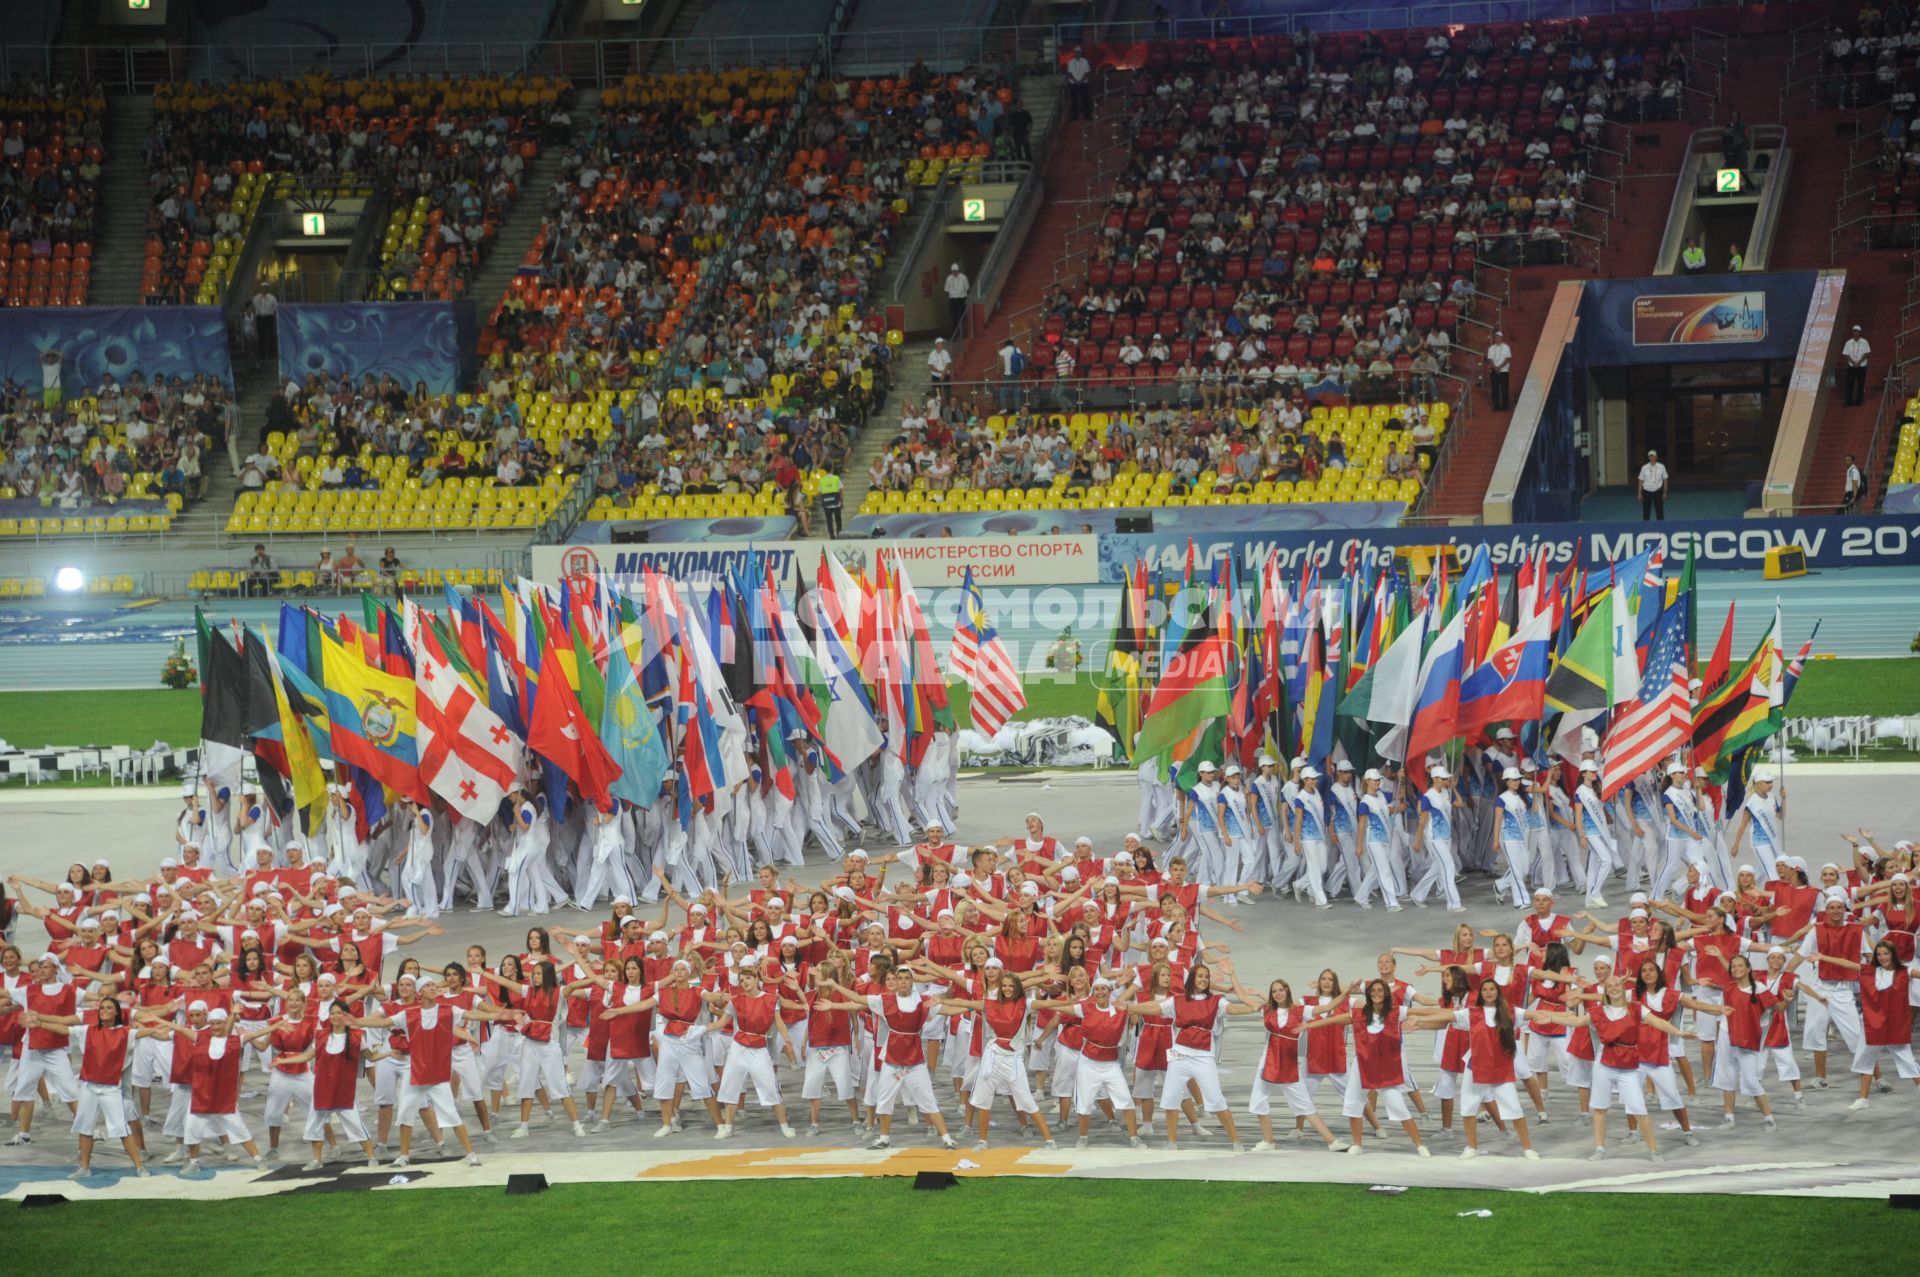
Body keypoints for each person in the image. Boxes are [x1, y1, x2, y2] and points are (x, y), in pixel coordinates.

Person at [1842, 326, 1870, 406]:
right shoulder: (1848, 342)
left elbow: (1866, 353)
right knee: (1849, 384)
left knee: (1860, 384)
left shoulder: (1865, 342)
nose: (1855, 333)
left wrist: (1859, 362)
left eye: (1857, 332)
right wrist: (1853, 362)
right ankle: (1848, 401)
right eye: (1854, 332)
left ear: (1860, 333)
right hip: (1851, 366)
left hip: (1862, 366)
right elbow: (1846, 354)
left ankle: (1859, 401)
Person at [1637, 449, 1669, 520]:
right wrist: (1639, 493)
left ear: (1656, 457)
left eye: (1653, 456)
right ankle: (1646, 527)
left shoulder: (1662, 467)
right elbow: (1640, 480)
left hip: (1658, 490)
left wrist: (1665, 492)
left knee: (1659, 511)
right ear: (1648, 457)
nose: (1652, 458)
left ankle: (1661, 527)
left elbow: (1665, 479)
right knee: (1646, 511)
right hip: (1647, 491)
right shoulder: (1644, 468)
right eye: (1650, 456)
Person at [1065, 46, 1094, 120]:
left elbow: (1087, 73)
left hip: (1083, 83)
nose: (1077, 54)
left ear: (1081, 53)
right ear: (1074, 53)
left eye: (1079, 52)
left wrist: (1081, 81)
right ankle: (1074, 116)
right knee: (1074, 100)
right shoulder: (1070, 62)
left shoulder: (1085, 61)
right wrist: (1075, 81)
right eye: (1076, 52)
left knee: (1085, 99)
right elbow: (1069, 74)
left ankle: (1087, 115)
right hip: (1073, 84)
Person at [1487, 331, 1512, 411]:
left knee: (1504, 388)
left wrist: (1499, 367)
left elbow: (1507, 358)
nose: (1497, 338)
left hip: (1504, 371)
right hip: (1494, 371)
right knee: (1495, 389)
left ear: (1501, 338)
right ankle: (1496, 406)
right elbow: (1490, 359)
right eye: (1496, 337)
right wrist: (1495, 367)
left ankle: (1505, 406)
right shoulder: (1491, 348)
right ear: (1494, 338)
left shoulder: (1506, 347)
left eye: (1499, 337)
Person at [942, 267, 970, 334]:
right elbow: (947, 289)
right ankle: (956, 333)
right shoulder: (949, 278)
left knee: (963, 316)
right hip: (953, 300)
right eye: (953, 271)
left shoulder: (963, 277)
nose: (954, 272)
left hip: (962, 299)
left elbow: (967, 287)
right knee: (955, 318)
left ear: (958, 271)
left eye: (955, 271)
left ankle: (965, 331)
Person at [816, 470, 843, 538]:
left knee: (829, 520)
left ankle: (832, 536)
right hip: (836, 502)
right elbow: (840, 490)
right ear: (832, 469)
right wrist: (842, 501)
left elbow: (819, 492)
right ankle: (839, 534)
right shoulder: (836, 478)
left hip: (826, 503)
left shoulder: (821, 480)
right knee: (838, 519)